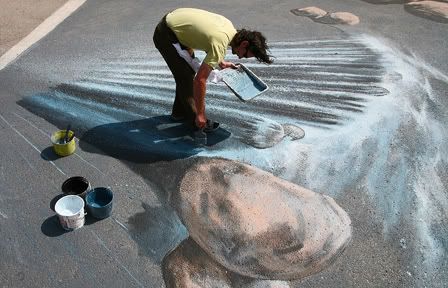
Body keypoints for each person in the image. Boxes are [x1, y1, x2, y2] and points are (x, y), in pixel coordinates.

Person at [153, 8, 273, 131]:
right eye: (245, 55)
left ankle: (178, 114)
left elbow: (209, 39)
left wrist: (221, 62)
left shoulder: (228, 27)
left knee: (187, 73)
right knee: (186, 76)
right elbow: (200, 80)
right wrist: (200, 113)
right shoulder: (220, 43)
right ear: (244, 44)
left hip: (176, 25)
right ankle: (197, 121)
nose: (241, 57)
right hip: (166, 35)